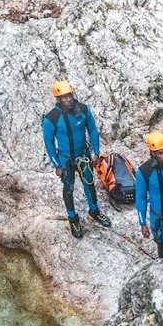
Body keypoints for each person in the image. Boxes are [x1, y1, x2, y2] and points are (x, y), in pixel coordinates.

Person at [41, 80, 112, 239]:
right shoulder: (51, 118)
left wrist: (96, 152)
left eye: (70, 95)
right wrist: (57, 164)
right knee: (69, 188)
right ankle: (73, 218)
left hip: (83, 156)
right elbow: (49, 142)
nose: (69, 99)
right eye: (64, 97)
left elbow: (92, 129)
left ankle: (94, 211)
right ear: (58, 99)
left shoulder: (84, 110)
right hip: (65, 160)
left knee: (89, 184)